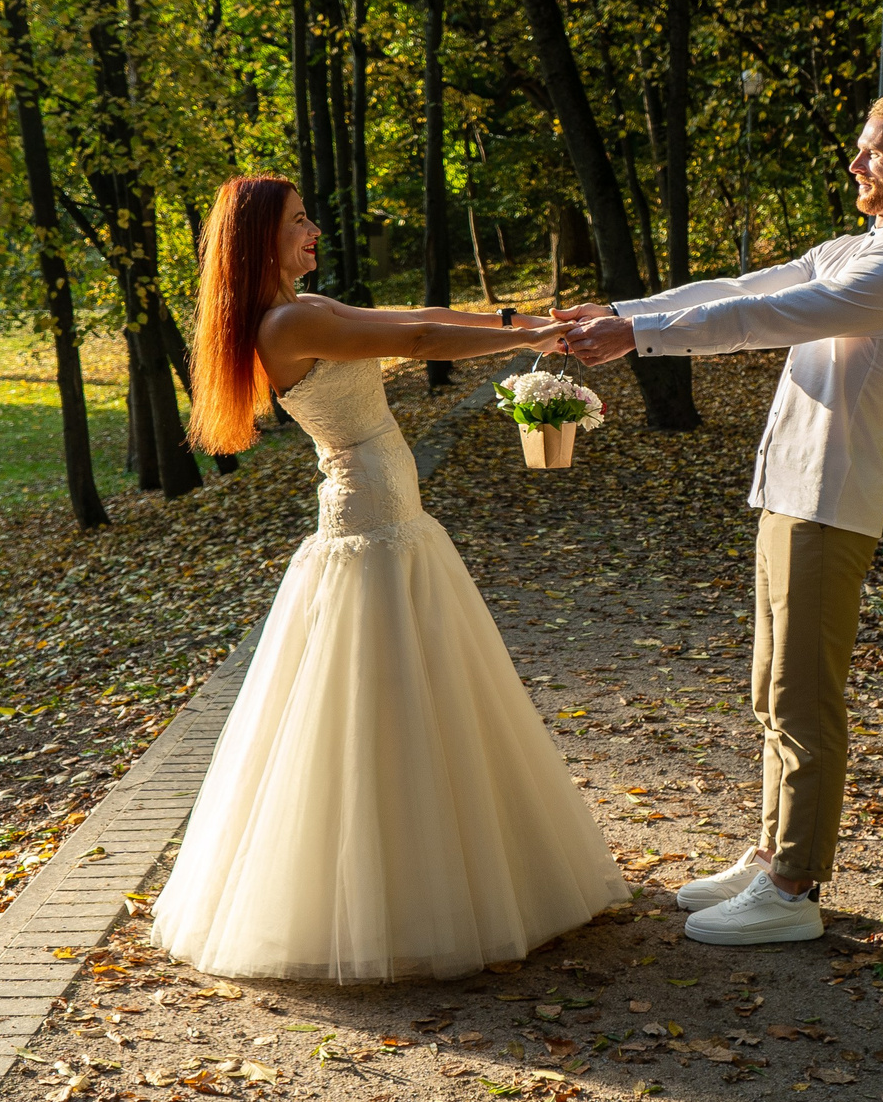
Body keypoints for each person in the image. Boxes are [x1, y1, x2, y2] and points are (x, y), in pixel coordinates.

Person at [154, 175, 628, 981]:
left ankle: (431, 873)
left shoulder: (310, 305)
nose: (314, 229)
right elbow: (413, 337)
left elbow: (422, 318)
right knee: (383, 702)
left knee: (416, 697)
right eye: (300, 220)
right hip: (370, 521)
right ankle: (395, 898)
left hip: (392, 514)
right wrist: (527, 336)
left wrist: (527, 324)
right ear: (261, 237)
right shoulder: (289, 321)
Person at [560, 92, 883, 946]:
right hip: (788, 494)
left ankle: (793, 885)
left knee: (804, 698)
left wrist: (635, 336)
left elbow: (760, 319)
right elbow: (740, 286)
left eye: (872, 152)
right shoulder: (854, 248)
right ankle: (774, 848)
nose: (855, 164)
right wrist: (624, 312)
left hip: (832, 503)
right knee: (768, 689)